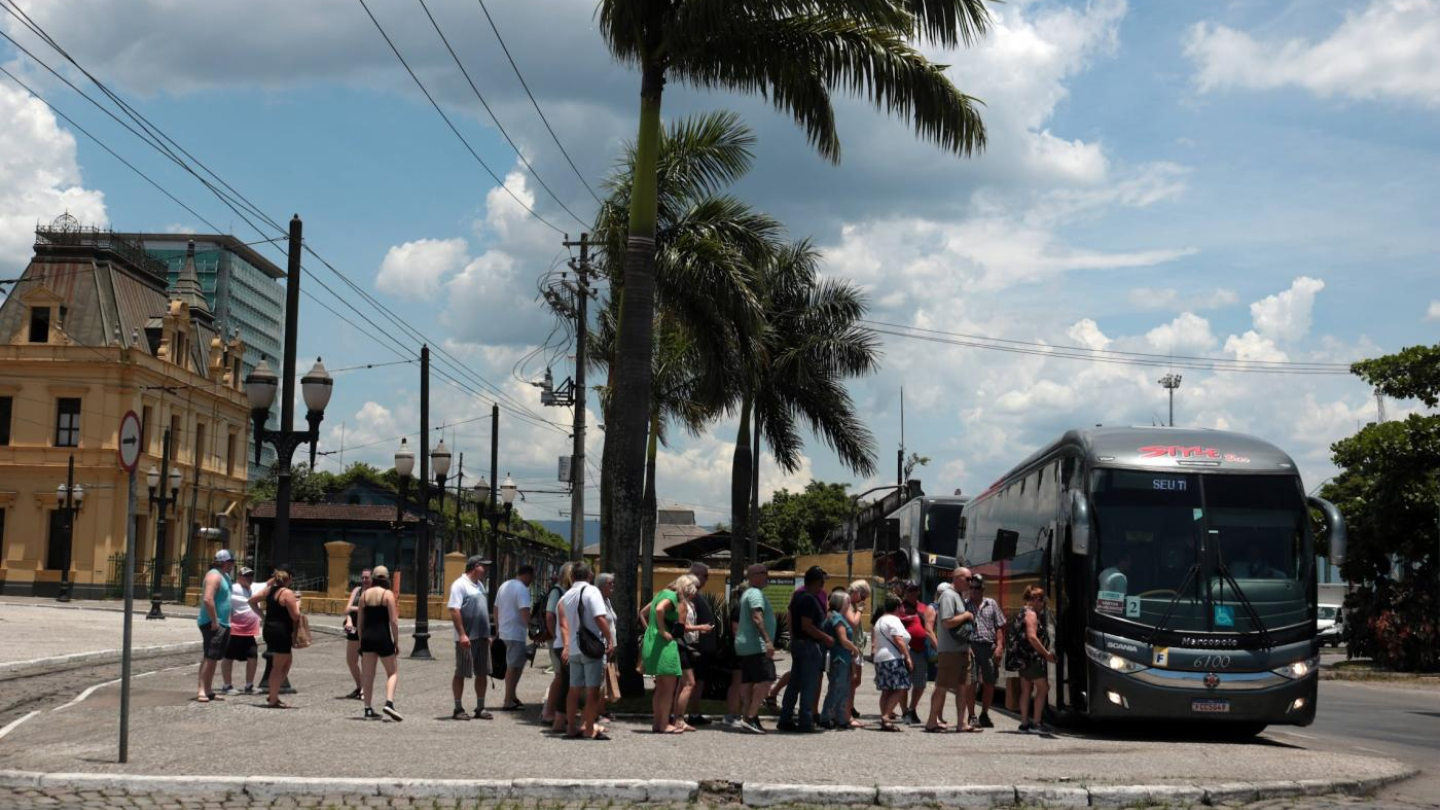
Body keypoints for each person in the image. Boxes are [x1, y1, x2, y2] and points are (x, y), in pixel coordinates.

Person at [559, 563, 614, 740]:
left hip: (575, 647)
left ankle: (571, 727)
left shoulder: (567, 595)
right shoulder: (592, 591)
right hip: (591, 647)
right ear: (589, 576)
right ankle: (589, 728)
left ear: (572, 576)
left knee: (573, 689)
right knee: (593, 690)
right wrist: (610, 638)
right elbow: (599, 617)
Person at [778, 566, 833, 733]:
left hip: (799, 644)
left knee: (794, 683)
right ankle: (805, 720)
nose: (822, 587)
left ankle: (785, 718)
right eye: (822, 583)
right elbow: (807, 625)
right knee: (809, 685)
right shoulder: (809, 599)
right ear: (816, 582)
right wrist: (826, 637)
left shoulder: (798, 596)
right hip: (809, 645)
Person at [642, 574, 698, 733]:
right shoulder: (673, 597)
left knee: (660, 688)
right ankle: (665, 724)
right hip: (664, 644)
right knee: (668, 688)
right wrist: (662, 630)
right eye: (688, 593)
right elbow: (660, 609)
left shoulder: (661, 593)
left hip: (652, 642)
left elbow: (650, 610)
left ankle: (657, 723)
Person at [927, 568, 978, 733]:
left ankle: (961, 723)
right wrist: (967, 615)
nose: (971, 583)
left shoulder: (958, 596)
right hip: (950, 651)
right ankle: (931, 721)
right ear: (956, 578)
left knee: (963, 687)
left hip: (962, 649)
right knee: (942, 685)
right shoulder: (948, 595)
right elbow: (947, 622)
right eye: (968, 579)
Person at [448, 555, 493, 720]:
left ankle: (480, 706)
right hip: (467, 637)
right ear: (474, 567)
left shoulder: (480, 585)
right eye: (483, 566)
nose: (486, 569)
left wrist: (488, 634)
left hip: (481, 636)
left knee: (482, 672)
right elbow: (454, 610)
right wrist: (462, 634)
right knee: (461, 671)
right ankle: (458, 708)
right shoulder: (460, 585)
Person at [734, 565, 776, 735]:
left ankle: (748, 717)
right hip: (755, 644)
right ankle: (750, 717)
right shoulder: (755, 594)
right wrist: (767, 641)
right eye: (764, 573)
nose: (768, 576)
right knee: (767, 678)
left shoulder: (748, 593)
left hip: (746, 646)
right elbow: (757, 617)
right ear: (753, 576)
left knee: (748, 681)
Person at [357, 566, 401, 721]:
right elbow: (393, 621)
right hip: (382, 637)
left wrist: (361, 641)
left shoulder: (364, 595)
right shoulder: (387, 594)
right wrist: (396, 641)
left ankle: (367, 709)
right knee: (392, 672)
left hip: (367, 638)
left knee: (368, 675)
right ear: (387, 578)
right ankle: (389, 702)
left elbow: (360, 622)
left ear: (373, 578)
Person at [252, 567, 300, 709]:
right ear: (289, 580)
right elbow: (295, 616)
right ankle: (273, 698)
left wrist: (264, 617)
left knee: (287, 662)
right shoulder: (287, 593)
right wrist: (298, 603)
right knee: (278, 666)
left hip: (270, 629)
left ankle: (274, 692)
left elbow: (252, 601)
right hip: (282, 631)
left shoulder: (269, 591)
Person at [195, 550, 235, 703]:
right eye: (231, 561)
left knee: (215, 658)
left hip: (223, 622)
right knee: (209, 656)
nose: (232, 564)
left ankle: (209, 689)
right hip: (212, 623)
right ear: (223, 562)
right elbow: (208, 599)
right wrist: (214, 620)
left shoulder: (224, 576)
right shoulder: (214, 576)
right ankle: (201, 690)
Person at [966, 573, 1005, 728]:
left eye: (977, 588)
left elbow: (999, 626)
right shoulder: (964, 605)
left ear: (983, 589)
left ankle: (984, 714)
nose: (974, 591)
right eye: (971, 588)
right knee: (972, 682)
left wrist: (1000, 646)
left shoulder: (992, 604)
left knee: (990, 682)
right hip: (972, 647)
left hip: (989, 647)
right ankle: (971, 715)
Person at [494, 565, 535, 711]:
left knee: (517, 663)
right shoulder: (522, 589)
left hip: (505, 631)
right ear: (528, 575)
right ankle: (507, 700)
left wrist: (498, 628)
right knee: (513, 666)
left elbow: (496, 608)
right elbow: (524, 611)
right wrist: (532, 628)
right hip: (515, 633)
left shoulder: (504, 585)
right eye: (532, 578)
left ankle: (512, 695)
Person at [1016, 585, 1056, 734]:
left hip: (1022, 657)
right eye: (1043, 602)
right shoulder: (1031, 614)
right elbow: (1032, 637)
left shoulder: (1022, 611)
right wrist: (1046, 654)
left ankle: (1024, 723)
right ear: (1037, 600)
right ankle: (1037, 723)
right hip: (1032, 658)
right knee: (1043, 687)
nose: (1043, 605)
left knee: (1026, 689)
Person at [683, 563, 718, 727]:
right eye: (705, 575)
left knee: (699, 682)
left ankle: (693, 712)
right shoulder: (690, 595)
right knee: (690, 682)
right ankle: (681, 714)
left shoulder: (696, 594)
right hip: (695, 647)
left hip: (702, 647)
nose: (707, 579)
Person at [872, 594, 913, 732]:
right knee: (902, 686)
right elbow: (898, 639)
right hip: (892, 658)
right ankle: (886, 716)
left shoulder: (880, 620)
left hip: (880, 658)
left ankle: (886, 718)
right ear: (897, 607)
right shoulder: (894, 620)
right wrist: (907, 657)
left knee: (886, 690)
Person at [819, 589, 859, 729]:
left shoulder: (835, 616)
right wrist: (855, 648)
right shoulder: (836, 617)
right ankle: (826, 717)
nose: (849, 604)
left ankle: (840, 717)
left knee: (843, 689)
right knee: (837, 688)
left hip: (842, 658)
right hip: (839, 658)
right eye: (847, 601)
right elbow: (843, 640)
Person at [541, 562, 575, 727]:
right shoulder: (558, 591)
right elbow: (549, 615)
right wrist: (556, 637)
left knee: (563, 677)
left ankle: (558, 711)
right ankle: (548, 712)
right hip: (559, 640)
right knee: (560, 676)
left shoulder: (567, 592)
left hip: (564, 639)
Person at [896, 581, 932, 725]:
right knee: (904, 684)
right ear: (905, 591)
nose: (914, 592)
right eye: (910, 590)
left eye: (916, 590)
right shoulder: (900, 608)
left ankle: (912, 709)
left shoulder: (923, 607)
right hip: (906, 651)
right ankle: (904, 711)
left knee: (921, 683)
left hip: (922, 651)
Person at [221, 566, 260, 695]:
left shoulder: (253, 588)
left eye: (251, 575)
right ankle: (227, 685)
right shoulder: (233, 588)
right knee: (228, 657)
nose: (249, 578)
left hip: (249, 632)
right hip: (235, 630)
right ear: (239, 577)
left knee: (253, 657)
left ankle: (249, 685)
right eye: (246, 575)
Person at [340, 568, 372, 700]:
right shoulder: (357, 590)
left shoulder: (373, 592)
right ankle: (359, 686)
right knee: (351, 660)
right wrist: (348, 620)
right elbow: (347, 609)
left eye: (367, 577)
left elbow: (369, 609)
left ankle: (365, 689)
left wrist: (355, 608)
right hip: (353, 627)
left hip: (366, 628)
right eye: (362, 577)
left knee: (365, 660)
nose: (364, 580)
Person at [844, 580, 870, 729]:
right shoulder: (847, 603)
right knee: (851, 680)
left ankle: (849, 707)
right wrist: (859, 610)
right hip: (851, 647)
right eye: (863, 595)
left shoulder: (853, 604)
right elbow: (853, 623)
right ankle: (846, 710)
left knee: (856, 680)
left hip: (857, 647)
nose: (864, 600)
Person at [722, 583, 747, 728]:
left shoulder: (741, 607)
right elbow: (736, 629)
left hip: (740, 648)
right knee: (737, 682)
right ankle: (731, 715)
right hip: (739, 649)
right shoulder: (740, 608)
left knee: (740, 682)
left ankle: (736, 713)